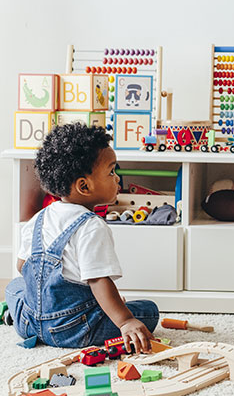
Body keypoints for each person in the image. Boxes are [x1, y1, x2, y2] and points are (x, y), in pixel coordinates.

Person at [5, 123, 158, 352]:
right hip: (75, 329)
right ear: (84, 186)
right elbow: (99, 281)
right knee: (148, 311)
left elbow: (21, 266)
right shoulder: (91, 226)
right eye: (111, 171)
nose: (117, 179)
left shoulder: (38, 218)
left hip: (31, 323)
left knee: (15, 286)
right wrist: (125, 321)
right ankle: (116, 318)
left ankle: (15, 316)